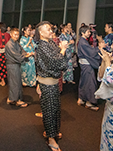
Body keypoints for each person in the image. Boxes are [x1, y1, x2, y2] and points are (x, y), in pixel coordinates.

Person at [35, 21, 68, 151]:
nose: (51, 31)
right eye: (48, 29)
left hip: (53, 82)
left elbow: (59, 60)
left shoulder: (51, 42)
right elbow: (57, 62)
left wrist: (61, 50)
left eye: (50, 29)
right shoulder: (42, 46)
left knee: (55, 109)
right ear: (40, 33)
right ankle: (50, 138)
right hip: (47, 82)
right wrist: (63, 49)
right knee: (49, 110)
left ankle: (53, 132)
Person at [77, 25, 104, 111]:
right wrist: (99, 48)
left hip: (84, 64)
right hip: (87, 65)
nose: (89, 33)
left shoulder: (82, 41)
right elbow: (91, 52)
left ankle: (81, 98)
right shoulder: (83, 42)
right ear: (83, 32)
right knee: (90, 82)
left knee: (84, 81)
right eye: (88, 32)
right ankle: (89, 102)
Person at [5, 28, 32, 107]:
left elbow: (22, 50)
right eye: (15, 34)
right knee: (15, 82)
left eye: (17, 35)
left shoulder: (16, 43)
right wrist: (25, 56)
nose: (16, 36)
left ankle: (11, 98)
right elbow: (16, 55)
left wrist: (25, 54)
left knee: (15, 82)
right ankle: (17, 100)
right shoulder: (9, 44)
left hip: (15, 65)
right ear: (11, 34)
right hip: (12, 65)